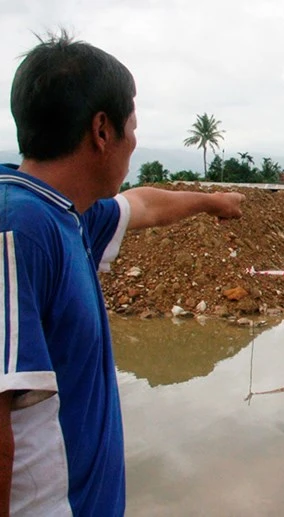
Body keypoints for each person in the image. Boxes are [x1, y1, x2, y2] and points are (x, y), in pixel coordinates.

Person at [0, 31, 245, 516]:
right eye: (132, 126)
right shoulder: (17, 229)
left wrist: (212, 202)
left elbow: (143, 205)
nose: (135, 141)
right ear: (102, 130)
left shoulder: (69, 216)